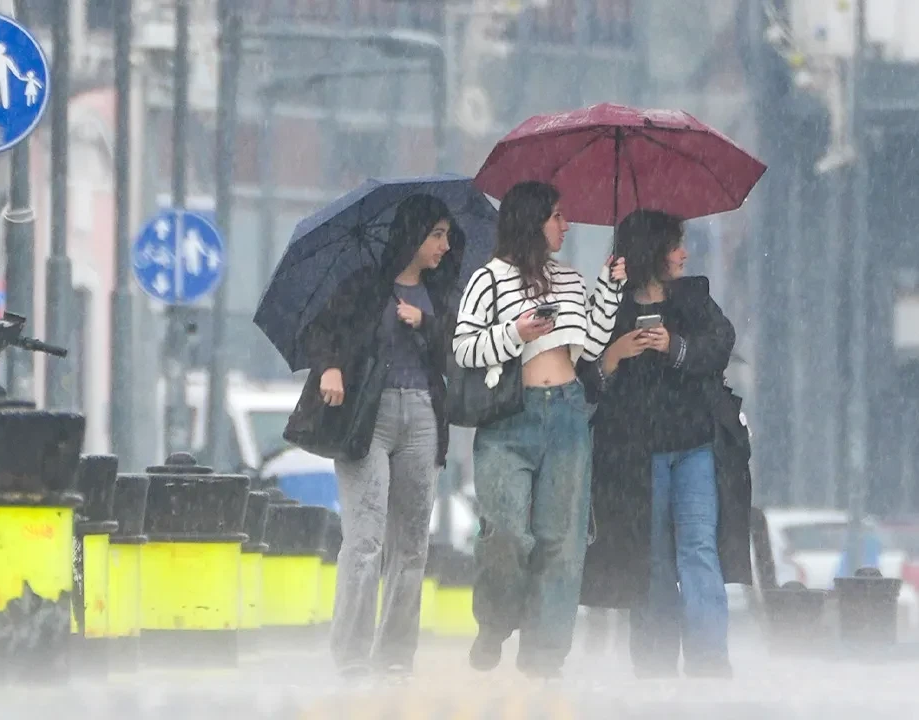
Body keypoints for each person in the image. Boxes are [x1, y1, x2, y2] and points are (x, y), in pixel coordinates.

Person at [452, 180, 626, 679]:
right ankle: (493, 623)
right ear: (531, 221)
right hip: (509, 415)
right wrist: (515, 334)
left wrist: (609, 286)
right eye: (556, 216)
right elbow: (464, 348)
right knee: (507, 533)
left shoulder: (569, 280)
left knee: (562, 542)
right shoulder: (489, 279)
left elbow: (591, 345)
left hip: (569, 412)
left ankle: (544, 660)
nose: (565, 225)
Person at [578, 209, 751, 679]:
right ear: (651, 251)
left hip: (693, 444)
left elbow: (719, 345)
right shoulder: (610, 308)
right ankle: (654, 663)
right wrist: (614, 356)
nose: (684, 253)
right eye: (676, 245)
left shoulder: (691, 298)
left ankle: (709, 660)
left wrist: (674, 346)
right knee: (650, 556)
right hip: (637, 454)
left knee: (698, 550)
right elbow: (586, 380)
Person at [297, 193, 463, 678]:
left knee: (411, 545)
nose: (445, 246)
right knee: (365, 539)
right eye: (436, 235)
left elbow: (457, 352)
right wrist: (329, 368)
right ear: (412, 235)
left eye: (448, 236)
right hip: (367, 417)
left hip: (423, 417)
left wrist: (426, 324)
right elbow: (320, 332)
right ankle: (350, 655)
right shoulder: (365, 288)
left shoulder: (443, 294)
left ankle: (395, 655)